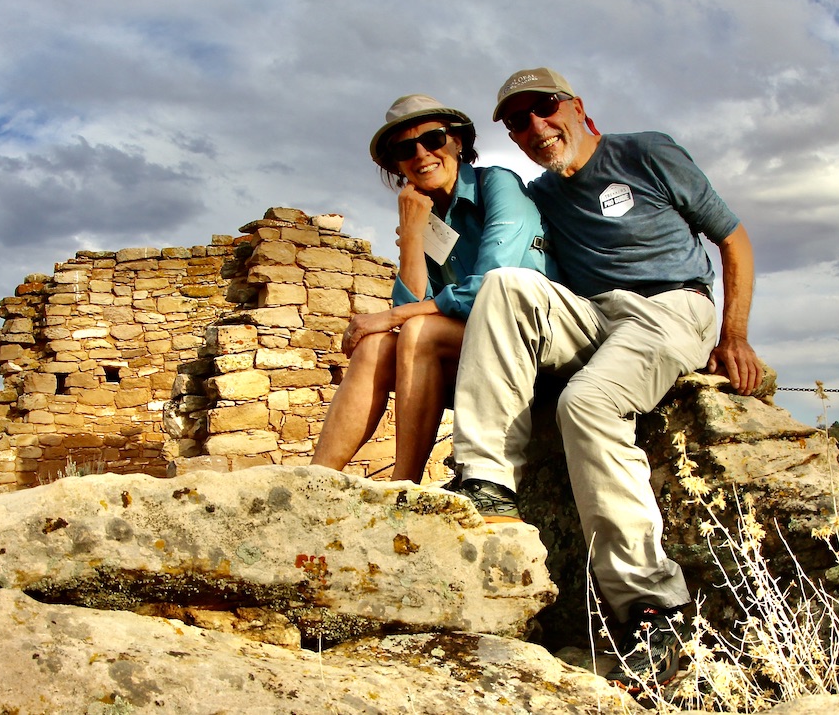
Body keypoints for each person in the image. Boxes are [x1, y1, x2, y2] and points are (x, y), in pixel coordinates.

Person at [450, 68, 763, 692]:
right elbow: (479, 236)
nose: (536, 127)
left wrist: (733, 336)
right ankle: (486, 481)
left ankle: (654, 611)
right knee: (506, 286)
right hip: (594, 314)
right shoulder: (539, 196)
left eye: (544, 109)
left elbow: (734, 240)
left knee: (587, 403)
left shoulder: (644, 152)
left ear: (576, 106)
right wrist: (413, 216)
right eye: (517, 121)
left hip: (672, 304)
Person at [311, 94, 553, 482]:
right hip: (473, 348)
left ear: (457, 141)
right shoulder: (428, 217)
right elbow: (413, 305)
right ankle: (314, 483)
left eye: (433, 139)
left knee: (419, 330)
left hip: (530, 338)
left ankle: (403, 486)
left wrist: (392, 316)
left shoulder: (497, 185)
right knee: (376, 347)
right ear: (396, 164)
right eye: (405, 149)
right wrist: (411, 233)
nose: (421, 154)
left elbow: (490, 287)